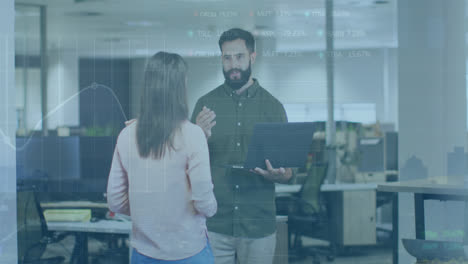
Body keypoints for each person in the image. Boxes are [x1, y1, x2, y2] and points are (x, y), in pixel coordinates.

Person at [191, 28, 294, 264]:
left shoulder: (273, 107)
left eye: (239, 57)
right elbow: (186, 163)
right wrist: (197, 138)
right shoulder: (205, 105)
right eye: (227, 58)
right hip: (215, 222)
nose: (233, 64)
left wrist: (277, 174)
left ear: (252, 57)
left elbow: (288, 172)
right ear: (221, 59)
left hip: (257, 224)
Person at [107, 51, 217, 264]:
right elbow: (205, 203)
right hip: (189, 252)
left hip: (143, 253)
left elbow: (115, 200)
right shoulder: (193, 134)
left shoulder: (127, 135)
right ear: (180, 88)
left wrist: (147, 210)